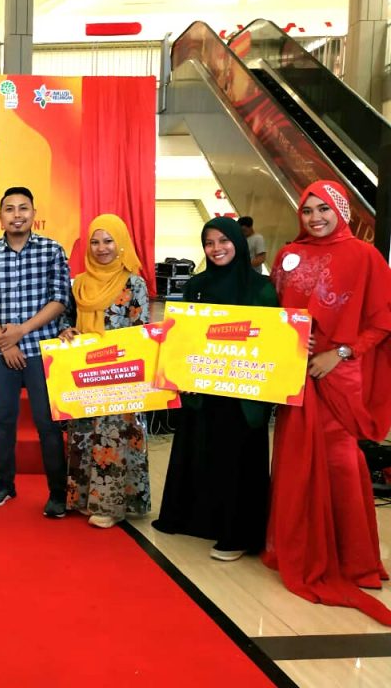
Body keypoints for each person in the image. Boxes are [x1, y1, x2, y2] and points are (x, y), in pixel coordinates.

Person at [263, 180, 391, 625]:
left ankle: (353, 560)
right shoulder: (288, 255)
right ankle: (298, 548)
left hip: (336, 375)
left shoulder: (365, 256)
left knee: (341, 463)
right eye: (308, 210)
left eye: (324, 209)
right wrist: (291, 341)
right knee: (295, 459)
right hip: (295, 375)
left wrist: (338, 353)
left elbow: (382, 320)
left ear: (342, 210)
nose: (315, 218)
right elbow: (274, 315)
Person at [152, 217, 276, 561]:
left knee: (237, 459)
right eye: (209, 243)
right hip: (202, 390)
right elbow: (184, 336)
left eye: (224, 240)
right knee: (203, 451)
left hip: (243, 394)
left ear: (238, 242)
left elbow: (275, 341)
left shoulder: (262, 289)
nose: (216, 248)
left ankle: (238, 534)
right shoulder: (197, 285)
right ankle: (196, 520)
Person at [0, 187, 71, 517]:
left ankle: (57, 493)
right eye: (10, 209)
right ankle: (4, 484)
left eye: (23, 208)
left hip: (42, 350)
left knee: (47, 422)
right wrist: (5, 342)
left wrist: (21, 332)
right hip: (2, 352)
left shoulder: (52, 250)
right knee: (4, 419)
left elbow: (60, 299)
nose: (17, 215)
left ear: (33, 213)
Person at [58, 214, 151, 529]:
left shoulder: (134, 283)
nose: (101, 248)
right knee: (83, 435)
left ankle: (111, 505)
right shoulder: (80, 283)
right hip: (85, 375)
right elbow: (66, 317)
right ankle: (84, 498)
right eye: (95, 242)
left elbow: (142, 331)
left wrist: (116, 356)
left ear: (121, 243)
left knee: (114, 437)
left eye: (108, 241)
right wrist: (66, 330)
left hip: (119, 375)